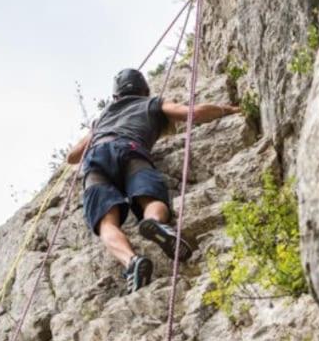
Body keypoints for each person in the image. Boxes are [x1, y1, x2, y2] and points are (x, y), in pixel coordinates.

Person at [66, 68, 239, 293]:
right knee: (151, 199)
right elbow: (193, 113)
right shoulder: (153, 103)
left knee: (106, 224)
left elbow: (72, 156)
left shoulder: (102, 119)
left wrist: (97, 132)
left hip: (97, 157)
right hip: (131, 150)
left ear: (115, 96)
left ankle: (132, 262)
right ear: (145, 91)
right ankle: (155, 222)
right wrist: (229, 109)